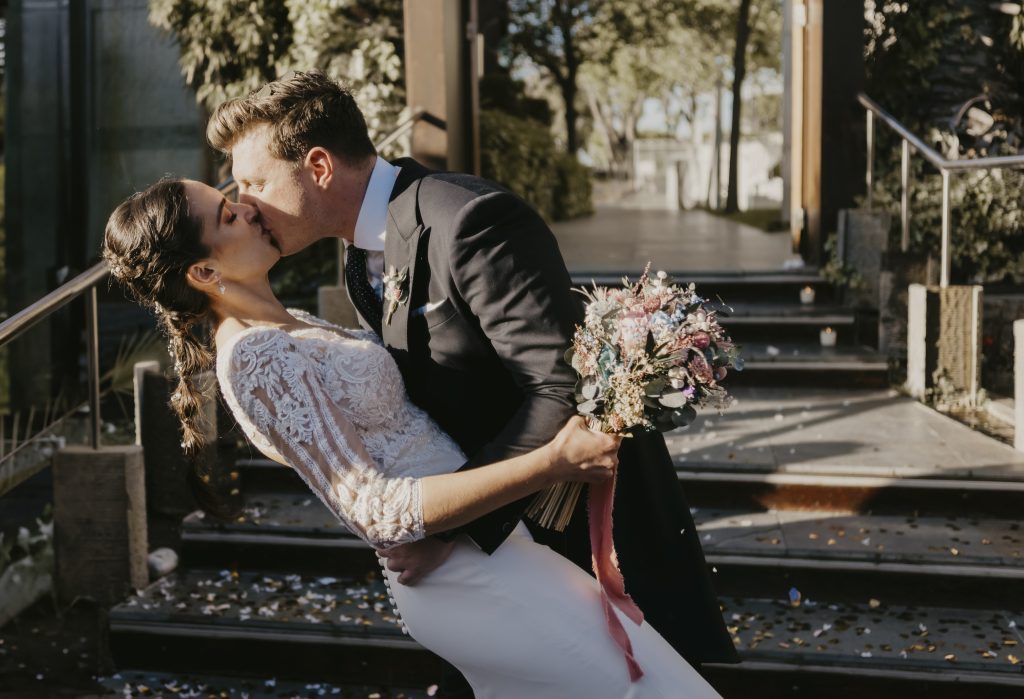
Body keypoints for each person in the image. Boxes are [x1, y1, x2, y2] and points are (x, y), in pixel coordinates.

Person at [205, 70, 738, 688]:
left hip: (580, 532)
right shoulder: (357, 251)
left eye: (253, 182)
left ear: (318, 166)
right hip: (498, 557)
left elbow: (562, 389)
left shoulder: (470, 220)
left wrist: (451, 527)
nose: (245, 203)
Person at [102, 177, 723, 698]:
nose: (246, 206)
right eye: (226, 213)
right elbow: (377, 510)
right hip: (462, 578)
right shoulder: (257, 360)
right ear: (205, 269)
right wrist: (552, 462)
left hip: (489, 552)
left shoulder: (290, 326)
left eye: (232, 194)